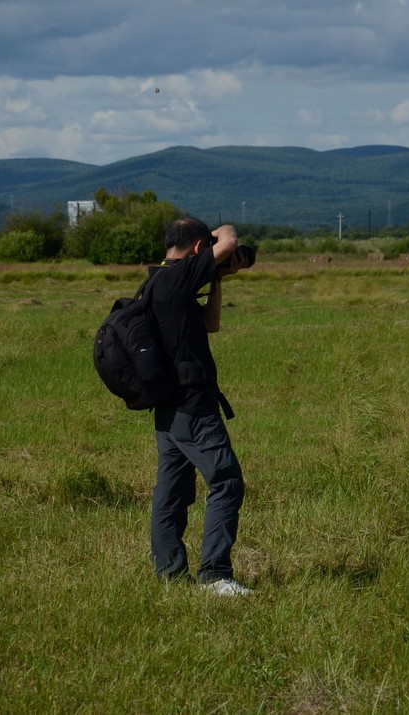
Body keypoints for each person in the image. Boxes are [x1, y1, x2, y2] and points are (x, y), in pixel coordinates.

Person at [147, 216, 252, 595]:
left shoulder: (159, 280)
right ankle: (215, 575)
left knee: (172, 491)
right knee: (226, 480)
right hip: (192, 405)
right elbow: (228, 238)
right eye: (205, 252)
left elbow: (210, 324)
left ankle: (170, 576)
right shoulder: (177, 277)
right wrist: (221, 234)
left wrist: (218, 278)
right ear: (197, 248)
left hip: (169, 407)